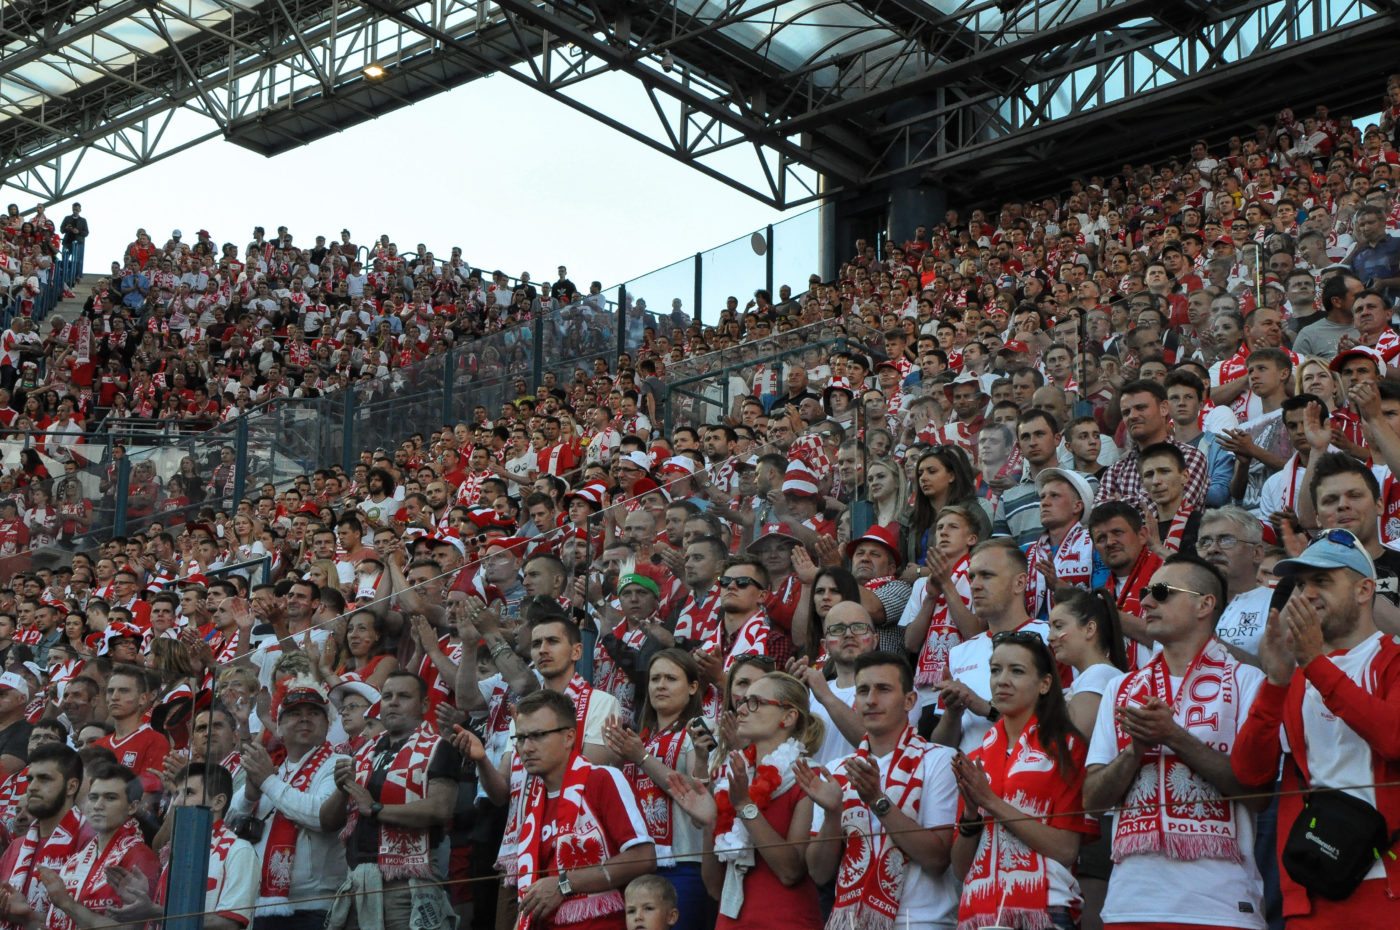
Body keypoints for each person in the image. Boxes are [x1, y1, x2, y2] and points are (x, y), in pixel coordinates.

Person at [1084, 553, 1268, 929]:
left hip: (1220, 903)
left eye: (1162, 592)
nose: (1146, 602)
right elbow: (1091, 799)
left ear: (1205, 605)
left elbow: (1257, 792)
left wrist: (1173, 737)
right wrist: (1135, 750)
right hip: (1129, 902)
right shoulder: (1121, 688)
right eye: (1145, 592)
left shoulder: (1248, 681)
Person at [1232, 531, 1400, 927]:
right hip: (1312, 890)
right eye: (1303, 584)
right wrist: (1274, 682)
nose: (1307, 594)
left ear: (1364, 590)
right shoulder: (1296, 675)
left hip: (1389, 889)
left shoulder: (1392, 659)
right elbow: (1249, 774)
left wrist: (1314, 664)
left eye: (1322, 581)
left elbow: (1394, 739)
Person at [799, 652, 958, 930]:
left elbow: (937, 859)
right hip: (850, 922)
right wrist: (833, 814)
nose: (871, 700)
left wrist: (877, 800)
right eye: (863, 691)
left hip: (921, 921)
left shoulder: (940, 759)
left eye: (883, 689)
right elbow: (819, 872)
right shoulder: (836, 769)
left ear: (910, 700)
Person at [950, 632, 1094, 930]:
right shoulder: (976, 757)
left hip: (1045, 909)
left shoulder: (1066, 747)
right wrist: (970, 814)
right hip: (980, 911)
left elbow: (1066, 850)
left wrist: (990, 801)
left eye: (1017, 671)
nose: (1002, 680)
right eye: (995, 670)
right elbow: (961, 867)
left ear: (1045, 684)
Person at [669, 672, 825, 930]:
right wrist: (710, 823)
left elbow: (791, 872)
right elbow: (714, 887)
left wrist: (744, 806)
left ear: (788, 716)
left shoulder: (809, 777)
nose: (741, 709)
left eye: (755, 702)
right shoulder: (733, 779)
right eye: (742, 701)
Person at [496, 688, 656, 930]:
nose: (526, 748)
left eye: (538, 735)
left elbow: (643, 858)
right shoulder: (533, 802)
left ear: (569, 737)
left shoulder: (602, 779)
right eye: (520, 738)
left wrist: (564, 884)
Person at [322, 672, 461, 930]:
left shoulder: (439, 747)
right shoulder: (361, 753)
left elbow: (440, 809)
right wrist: (342, 791)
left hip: (406, 889)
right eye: (387, 696)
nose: (393, 702)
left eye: (404, 696)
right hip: (356, 883)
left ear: (424, 705)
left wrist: (376, 809)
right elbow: (328, 822)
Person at [227, 681, 347, 930]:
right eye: (294, 714)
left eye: (314, 713)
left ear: (327, 725)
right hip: (259, 904)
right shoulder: (274, 769)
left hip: (314, 907)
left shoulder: (339, 763)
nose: (304, 719)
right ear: (279, 728)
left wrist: (268, 783)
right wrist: (250, 794)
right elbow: (229, 821)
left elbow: (321, 816)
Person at [602, 649, 706, 930]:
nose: (660, 685)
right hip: (641, 866)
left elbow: (698, 796)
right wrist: (619, 758)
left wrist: (642, 759)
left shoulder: (702, 729)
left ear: (693, 687)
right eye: (655, 678)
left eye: (671, 678)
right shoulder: (642, 740)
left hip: (687, 865)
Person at [933, 539, 1050, 753]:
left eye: (987, 575)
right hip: (968, 780)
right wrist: (952, 713)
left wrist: (986, 709)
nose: (975, 585)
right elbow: (941, 749)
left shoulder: (1052, 638)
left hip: (1028, 779)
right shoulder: (959, 653)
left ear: (1020, 583)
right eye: (972, 576)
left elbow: (1064, 722)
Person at [36, 763, 159, 930]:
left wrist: (66, 903)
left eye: (110, 798)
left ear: (132, 807)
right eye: (93, 797)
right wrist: (25, 915)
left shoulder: (140, 856)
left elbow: (134, 928)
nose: (98, 805)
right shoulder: (79, 857)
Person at [0, 744, 92, 930]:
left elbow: (95, 921)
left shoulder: (91, 843)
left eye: (44, 779)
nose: (32, 787)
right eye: (30, 779)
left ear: (71, 786)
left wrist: (30, 918)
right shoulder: (16, 847)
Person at [1199, 507, 1273, 662]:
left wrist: (1202, 641)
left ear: (1257, 553)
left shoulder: (1277, 604)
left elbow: (1278, 676)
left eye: (1226, 540)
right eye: (1205, 542)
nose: (1212, 549)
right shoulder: (1181, 603)